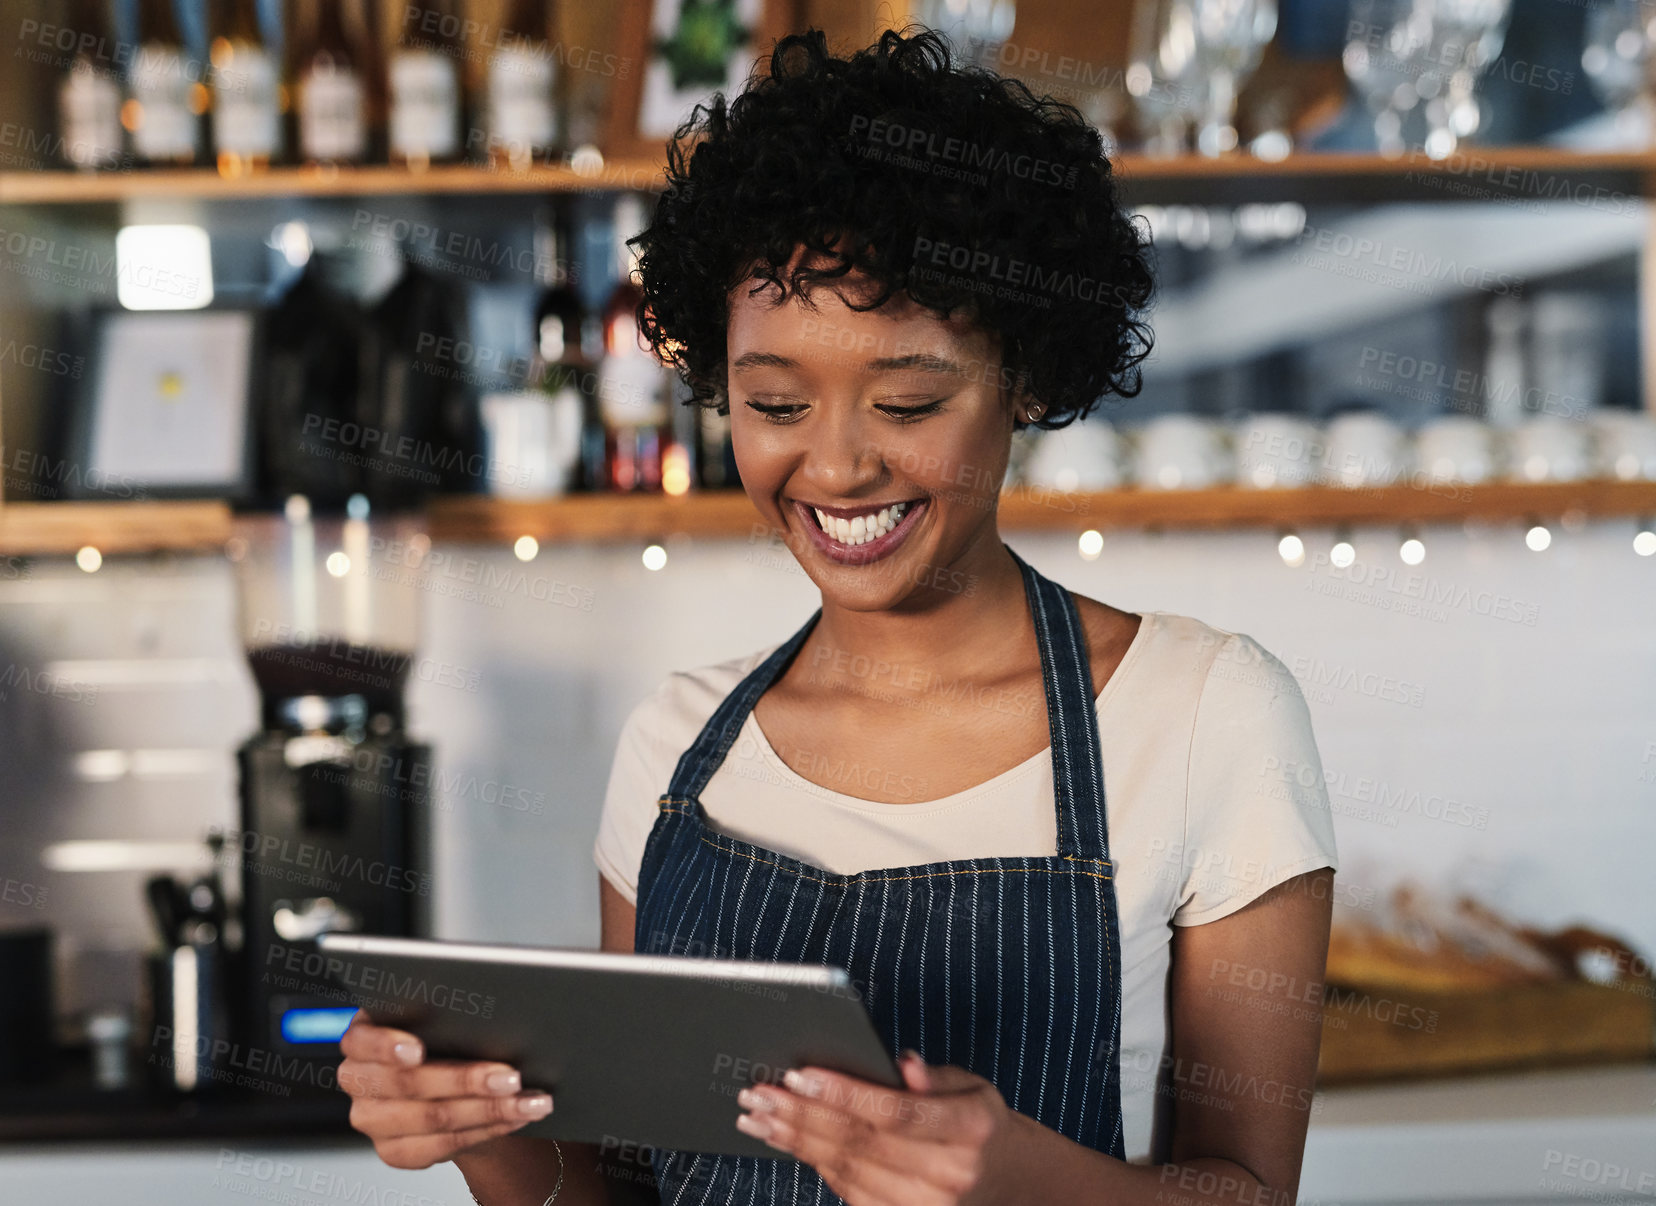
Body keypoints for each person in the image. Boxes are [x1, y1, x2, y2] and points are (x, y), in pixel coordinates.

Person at [339, 26, 1339, 1206]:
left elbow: (1248, 1194)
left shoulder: (1203, 710)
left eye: (908, 400)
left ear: (1025, 379)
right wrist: (481, 1130)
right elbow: (615, 1191)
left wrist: (1026, 1181)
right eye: (774, 402)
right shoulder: (677, 748)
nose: (838, 465)